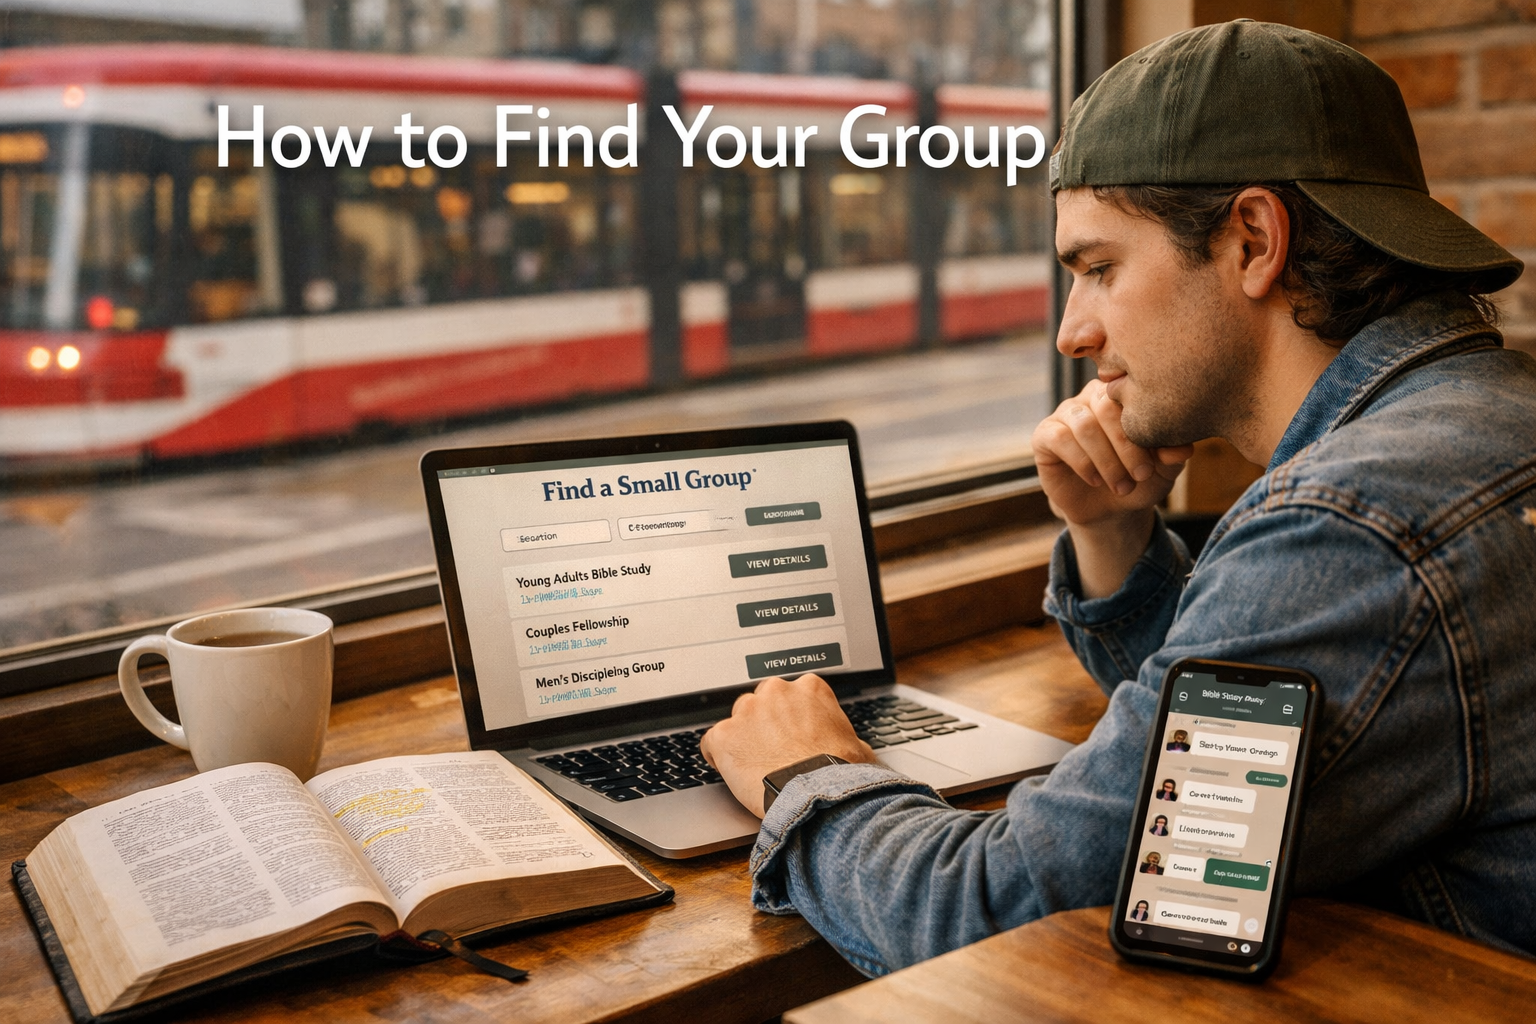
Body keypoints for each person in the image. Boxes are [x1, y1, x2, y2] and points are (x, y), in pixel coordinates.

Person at [699, 19, 1536, 976]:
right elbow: (1244, 755)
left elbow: (992, 917)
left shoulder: (1353, 529)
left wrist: (805, 774)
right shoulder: (1487, 415)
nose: (1071, 333)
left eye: (1100, 269)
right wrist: (1112, 533)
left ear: (1255, 240)